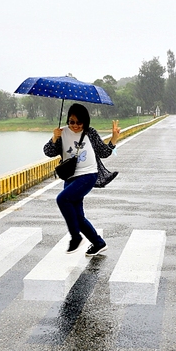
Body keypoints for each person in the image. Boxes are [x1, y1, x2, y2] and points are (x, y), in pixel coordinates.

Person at [43, 103, 121, 255]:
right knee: (78, 216)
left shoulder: (90, 133)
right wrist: (54, 138)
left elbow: (104, 152)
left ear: (85, 121)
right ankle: (98, 243)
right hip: (70, 178)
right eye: (72, 122)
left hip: (88, 175)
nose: (76, 125)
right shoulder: (62, 133)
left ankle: (75, 237)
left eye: (79, 122)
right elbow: (48, 152)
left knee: (62, 200)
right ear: (68, 121)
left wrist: (114, 138)